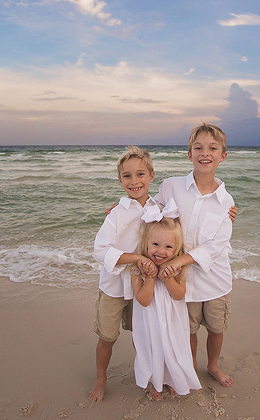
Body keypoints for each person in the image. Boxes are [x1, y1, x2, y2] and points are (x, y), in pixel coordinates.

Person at [154, 122, 235, 387]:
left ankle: (212, 366)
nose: (205, 153)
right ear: (189, 154)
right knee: (187, 330)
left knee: (216, 328)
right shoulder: (171, 187)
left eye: (213, 148)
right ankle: (188, 370)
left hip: (215, 280)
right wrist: (125, 207)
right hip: (183, 281)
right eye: (198, 147)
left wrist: (178, 260)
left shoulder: (227, 202)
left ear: (223, 155)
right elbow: (151, 212)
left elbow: (216, 245)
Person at [89, 146, 159, 402]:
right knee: (107, 337)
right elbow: (100, 251)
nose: (134, 181)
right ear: (120, 180)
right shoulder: (116, 214)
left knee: (142, 337)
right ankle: (100, 377)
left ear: (151, 176)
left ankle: (151, 377)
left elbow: (181, 224)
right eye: (127, 176)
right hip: (114, 287)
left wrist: (227, 214)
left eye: (140, 174)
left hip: (142, 287)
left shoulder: (159, 208)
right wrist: (137, 258)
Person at [130, 201, 202, 400]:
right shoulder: (137, 270)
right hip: (150, 322)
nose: (161, 251)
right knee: (153, 348)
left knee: (173, 348)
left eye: (168, 247)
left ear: (176, 249)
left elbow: (179, 295)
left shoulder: (177, 268)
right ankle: (156, 382)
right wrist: (151, 277)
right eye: (155, 245)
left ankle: (172, 380)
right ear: (146, 243)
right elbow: (144, 301)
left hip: (172, 321)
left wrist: (168, 277)